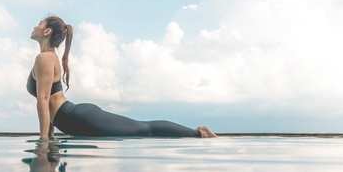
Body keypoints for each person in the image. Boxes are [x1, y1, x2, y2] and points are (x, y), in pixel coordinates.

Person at [27, 15, 218, 139]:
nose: (35, 26)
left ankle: (198, 133)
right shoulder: (48, 57)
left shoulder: (44, 58)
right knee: (143, 129)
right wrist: (49, 134)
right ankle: (197, 132)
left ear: (47, 31)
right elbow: (46, 100)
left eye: (39, 24)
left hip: (78, 119)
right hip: (73, 117)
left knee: (144, 129)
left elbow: (44, 100)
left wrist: (43, 140)